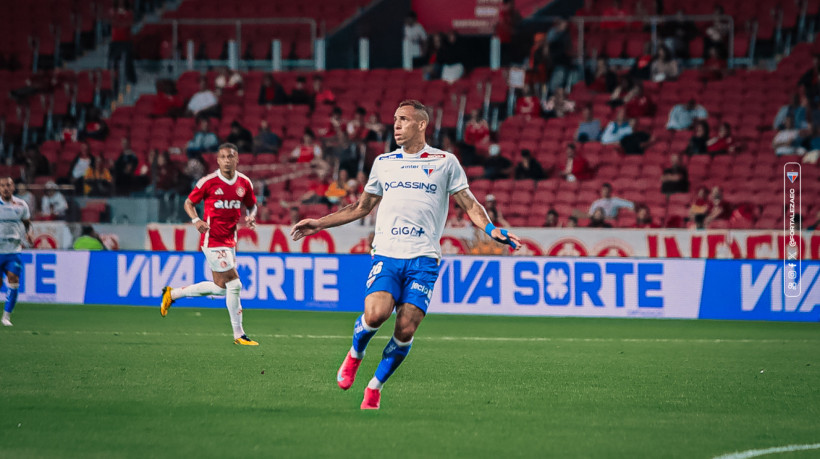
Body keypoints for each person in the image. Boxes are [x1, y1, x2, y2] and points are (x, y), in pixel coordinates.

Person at [290, 99, 521, 410]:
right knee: (376, 314)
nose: (396, 125)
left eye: (404, 120)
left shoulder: (445, 162)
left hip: (424, 258)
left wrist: (491, 229)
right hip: (388, 253)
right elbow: (361, 207)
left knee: (406, 328)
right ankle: (356, 353)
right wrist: (319, 223)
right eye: (395, 119)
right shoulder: (384, 162)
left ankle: (375, 386)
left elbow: (469, 203)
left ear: (421, 125)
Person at [160, 144, 259, 346]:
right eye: (223, 157)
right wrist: (196, 220)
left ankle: (173, 293)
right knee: (235, 284)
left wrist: (251, 216)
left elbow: (252, 205)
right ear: (218, 160)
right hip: (212, 240)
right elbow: (188, 203)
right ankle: (239, 335)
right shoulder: (208, 182)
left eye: (230, 156)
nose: (227, 160)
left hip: (230, 241)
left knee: (221, 288)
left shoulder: (244, 183)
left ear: (237, 159)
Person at [0, 178, 32, 326]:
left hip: (13, 250)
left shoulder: (21, 205)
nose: (5, 188)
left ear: (13, 187)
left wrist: (29, 234)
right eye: (2, 186)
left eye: (8, 185)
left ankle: (6, 317)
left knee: (14, 279)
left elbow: (27, 223)